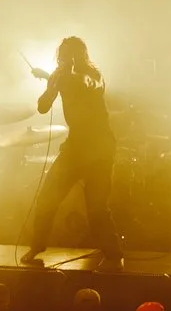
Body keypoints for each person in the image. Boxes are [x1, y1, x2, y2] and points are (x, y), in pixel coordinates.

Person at [26, 36, 117, 262]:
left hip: (99, 149)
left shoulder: (93, 75)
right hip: (75, 147)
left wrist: (53, 77)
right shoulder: (60, 77)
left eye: (69, 55)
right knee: (47, 197)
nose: (64, 59)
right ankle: (37, 245)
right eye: (62, 55)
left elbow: (85, 84)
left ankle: (115, 255)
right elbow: (43, 107)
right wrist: (50, 84)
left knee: (96, 207)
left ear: (80, 56)